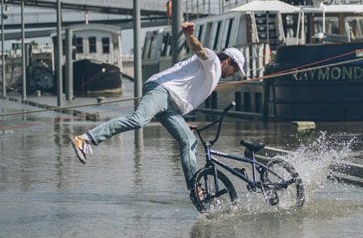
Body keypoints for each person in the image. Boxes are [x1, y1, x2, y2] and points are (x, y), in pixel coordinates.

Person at [70, 21, 246, 193]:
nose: (234, 74)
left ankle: (195, 188)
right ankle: (85, 139)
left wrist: (181, 122)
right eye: (236, 70)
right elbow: (199, 49)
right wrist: (189, 35)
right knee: (138, 120)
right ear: (229, 61)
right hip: (161, 90)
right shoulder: (213, 60)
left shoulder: (212, 75)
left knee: (188, 140)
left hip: (172, 107)